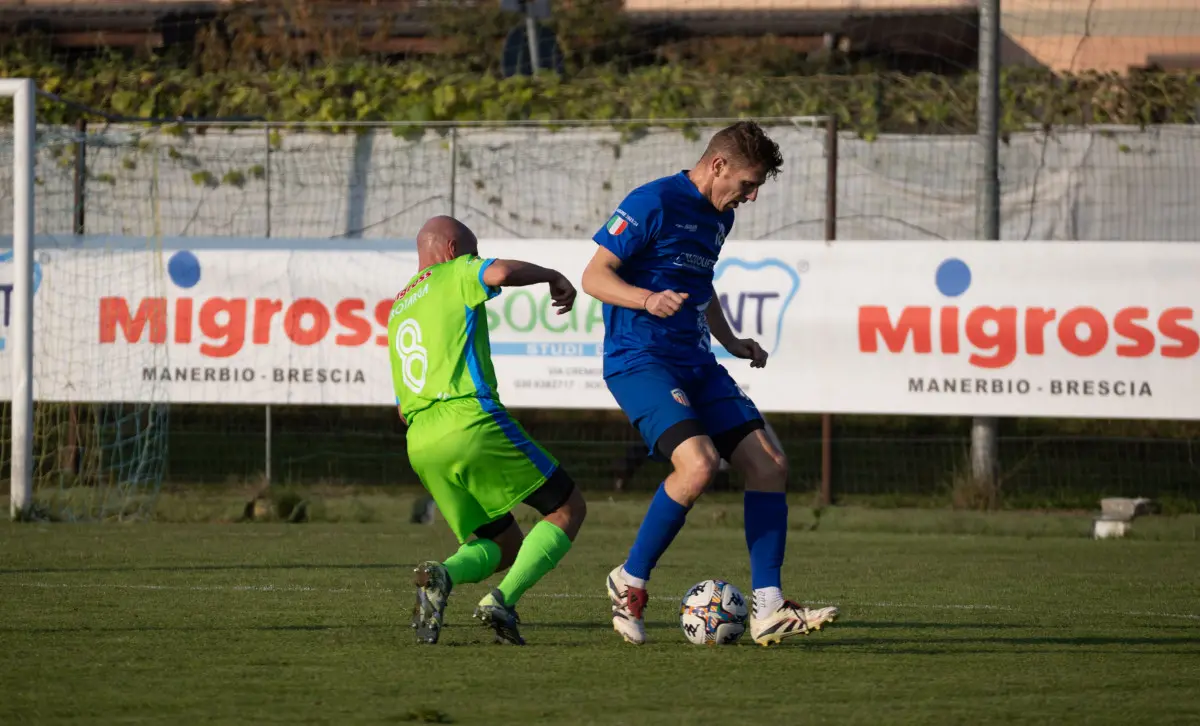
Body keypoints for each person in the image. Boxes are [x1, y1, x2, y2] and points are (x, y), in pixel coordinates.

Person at [582, 121, 840, 647]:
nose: (751, 195)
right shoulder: (652, 201)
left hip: (697, 362)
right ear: (718, 165)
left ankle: (768, 608)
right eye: (747, 183)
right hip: (641, 360)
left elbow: (702, 288)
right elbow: (595, 276)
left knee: (769, 465)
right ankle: (628, 581)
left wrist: (732, 340)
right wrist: (647, 300)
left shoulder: (719, 220)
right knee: (697, 464)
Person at [391, 215, 587, 646]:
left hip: (420, 439)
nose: (477, 260)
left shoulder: (399, 307)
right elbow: (498, 273)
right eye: (472, 252)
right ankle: (501, 601)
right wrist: (553, 276)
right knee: (567, 507)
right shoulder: (455, 271)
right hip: (469, 421)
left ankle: (443, 574)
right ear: (451, 248)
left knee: (502, 542)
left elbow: (403, 408)